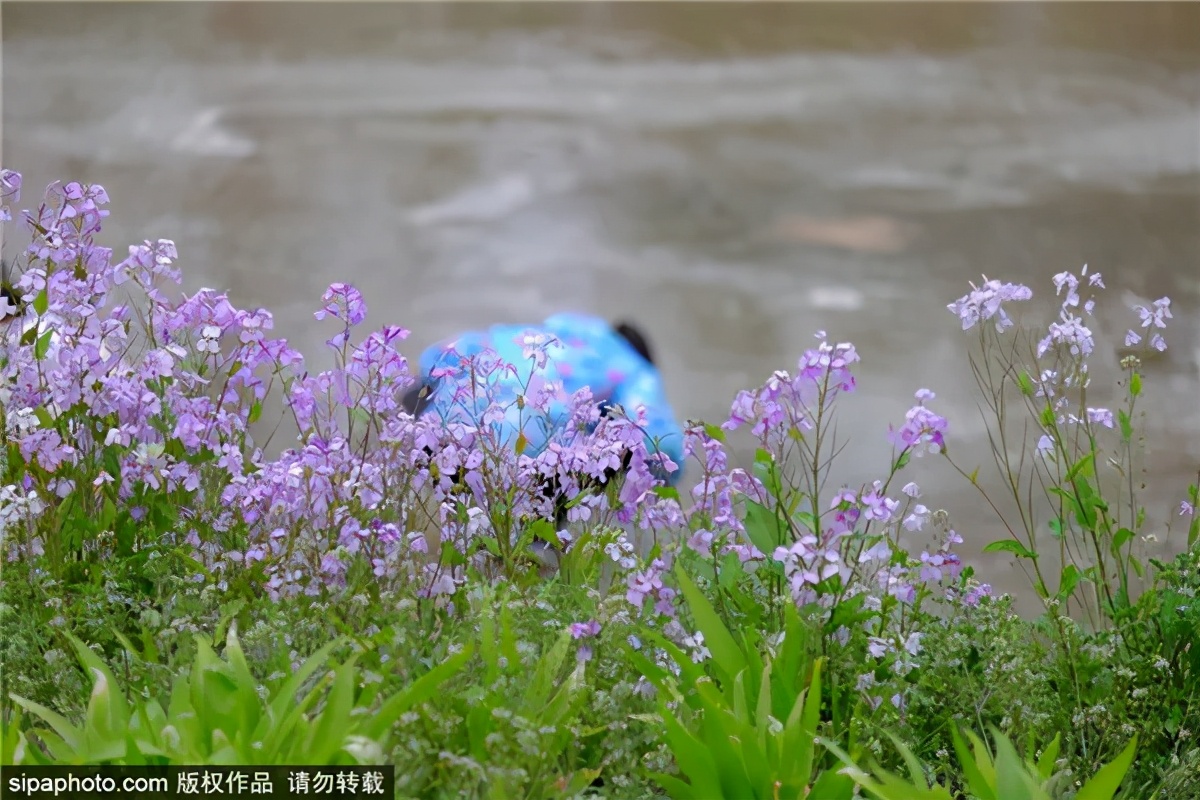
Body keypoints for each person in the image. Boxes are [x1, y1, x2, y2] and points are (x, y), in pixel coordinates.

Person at [402, 313, 685, 538]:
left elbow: (433, 359)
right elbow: (662, 442)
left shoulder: (552, 332)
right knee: (527, 552)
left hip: (441, 427)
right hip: (526, 446)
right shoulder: (634, 366)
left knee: (452, 534)